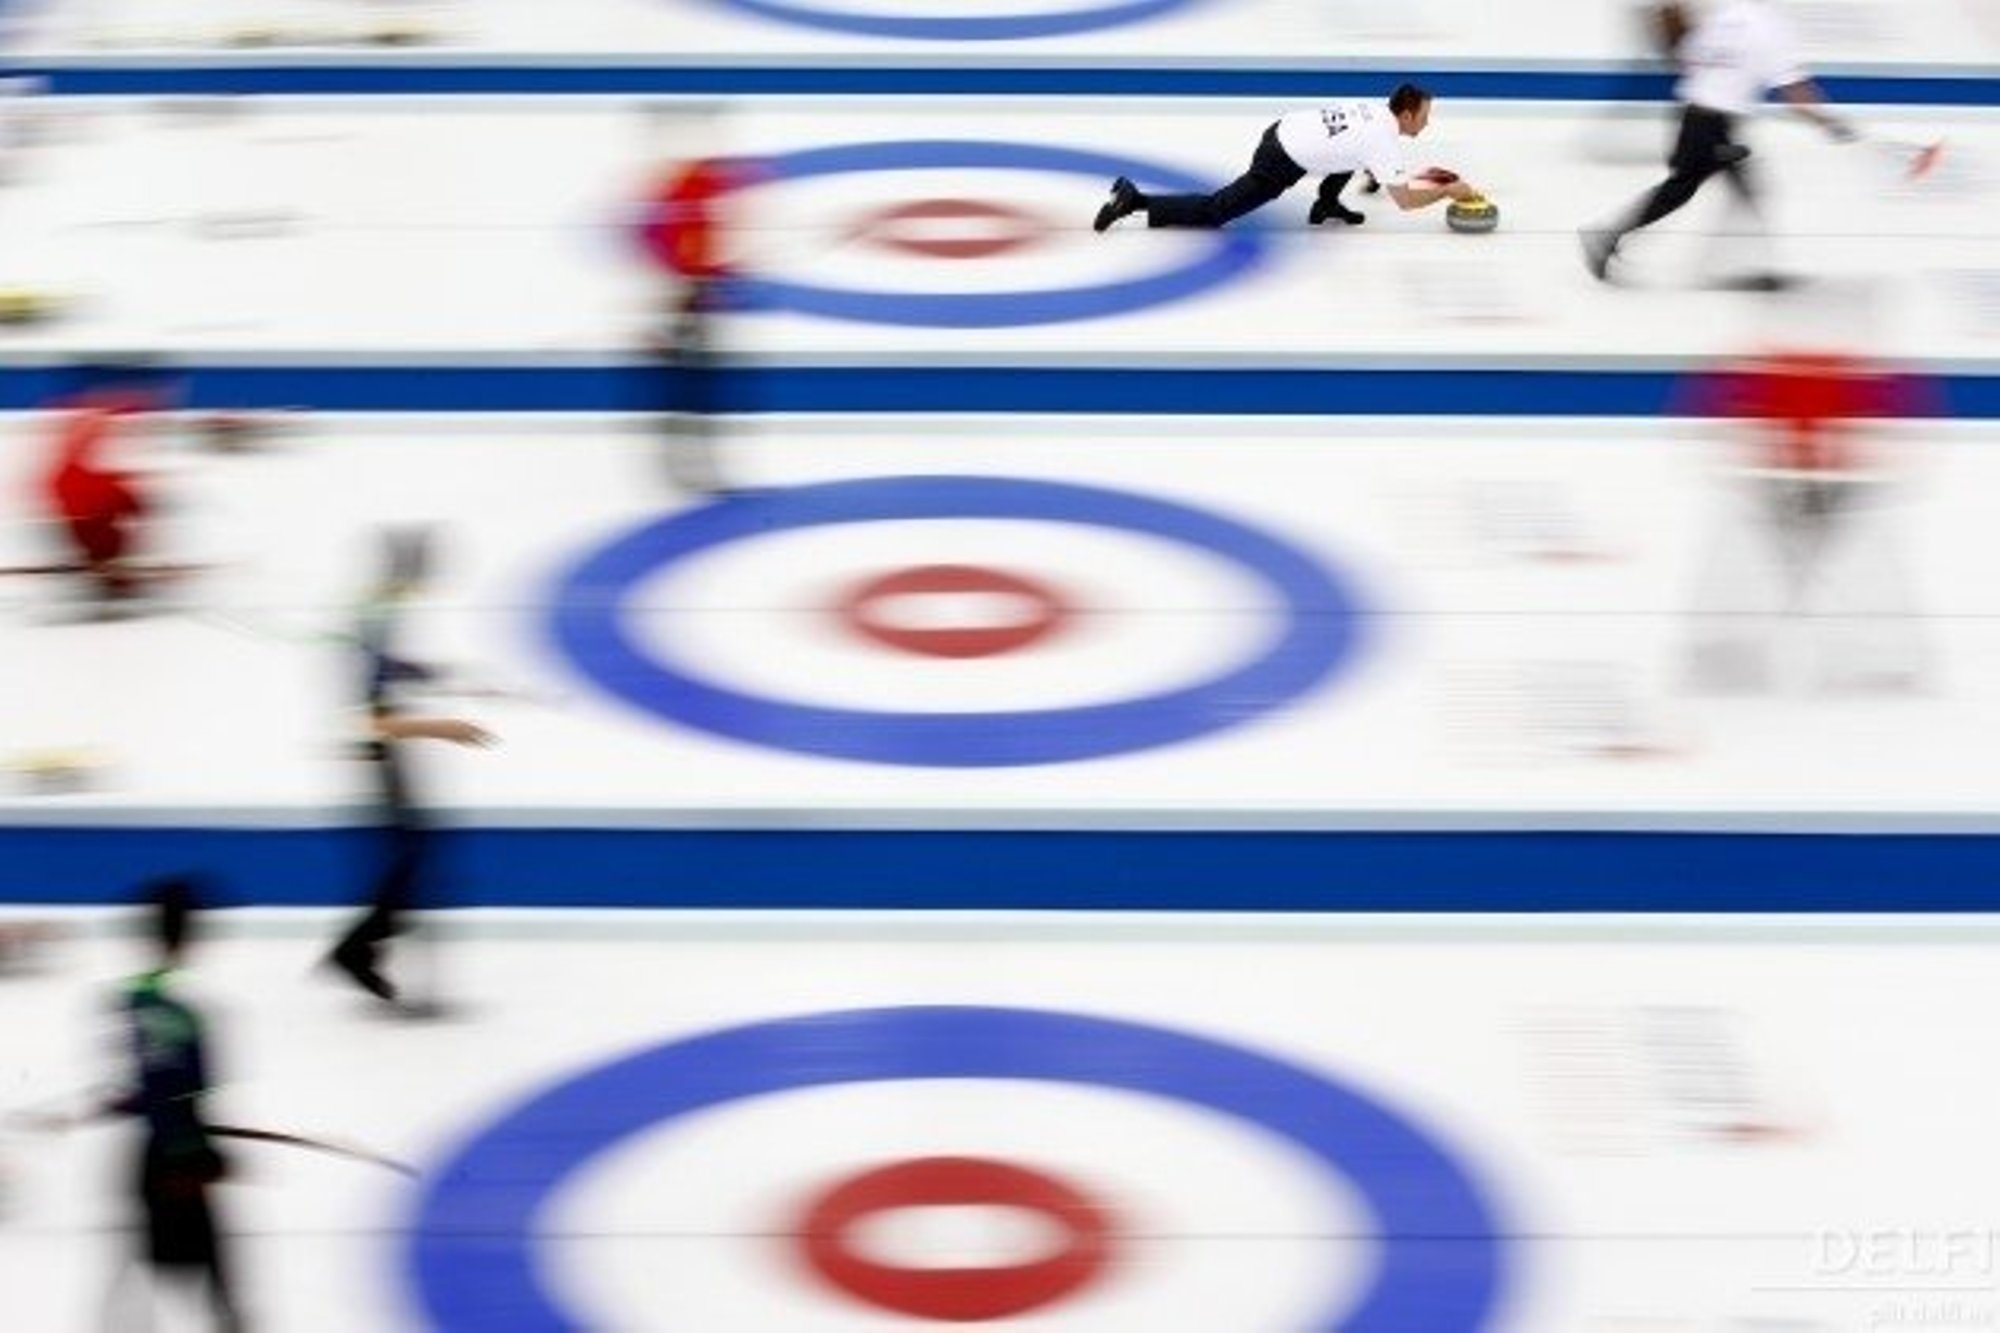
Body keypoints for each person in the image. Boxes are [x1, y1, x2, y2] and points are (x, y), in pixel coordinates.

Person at [35, 877, 250, 1331]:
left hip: (156, 1158)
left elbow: (142, 1088)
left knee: (153, 1273)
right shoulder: (178, 1006)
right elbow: (169, 1089)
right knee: (206, 1279)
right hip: (175, 1162)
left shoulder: (130, 1000)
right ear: (186, 934)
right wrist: (193, 1152)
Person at [323, 529, 492, 1013]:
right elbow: (368, 716)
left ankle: (360, 947)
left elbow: (380, 671)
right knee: (412, 858)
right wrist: (444, 726)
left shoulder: (377, 609)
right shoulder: (378, 614)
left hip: (382, 750)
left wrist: (430, 674)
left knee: (411, 856)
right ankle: (357, 949)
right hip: (382, 751)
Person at [1582, 0, 1856, 286]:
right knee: (1689, 190)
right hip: (1714, 126)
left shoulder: (1724, 15)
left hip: (1693, 117)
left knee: (1719, 188)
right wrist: (1829, 122)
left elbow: (1685, 57)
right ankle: (1607, 238)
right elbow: (1796, 94)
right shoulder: (1771, 27)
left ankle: (1748, 266)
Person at [1092, 83, 1480, 232]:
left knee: (1349, 157)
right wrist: (1448, 192)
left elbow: (1359, 152)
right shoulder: (1383, 141)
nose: (1427, 124)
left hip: (1283, 130)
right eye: (1425, 116)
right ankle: (1134, 201)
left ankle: (1325, 206)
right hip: (1281, 158)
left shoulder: (1374, 111)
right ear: (1408, 114)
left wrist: (1376, 175)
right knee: (1216, 211)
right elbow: (1407, 202)